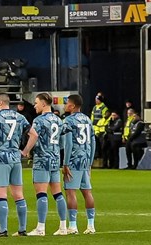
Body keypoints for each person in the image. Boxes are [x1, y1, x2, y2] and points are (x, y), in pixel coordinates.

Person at [20, 92, 69, 236]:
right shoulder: (58, 120)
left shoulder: (39, 120)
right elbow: (62, 143)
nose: (34, 105)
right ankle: (63, 227)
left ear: (43, 103)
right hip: (55, 159)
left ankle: (40, 228)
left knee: (41, 194)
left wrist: (26, 151)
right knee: (58, 194)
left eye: (36, 103)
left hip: (42, 159)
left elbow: (33, 137)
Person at [0, 93, 30, 236]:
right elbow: (33, 134)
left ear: (1, 103)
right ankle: (22, 229)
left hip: (1, 158)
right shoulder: (20, 117)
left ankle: (2, 230)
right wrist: (25, 151)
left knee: (1, 194)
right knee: (18, 195)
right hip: (15, 158)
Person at [61, 94, 97, 235]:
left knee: (70, 192)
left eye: (67, 103)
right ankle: (91, 225)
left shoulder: (68, 121)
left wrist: (65, 163)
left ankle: (73, 226)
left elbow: (68, 143)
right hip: (85, 159)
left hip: (74, 160)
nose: (65, 105)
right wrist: (90, 162)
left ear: (73, 105)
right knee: (87, 192)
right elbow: (93, 142)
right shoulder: (87, 120)